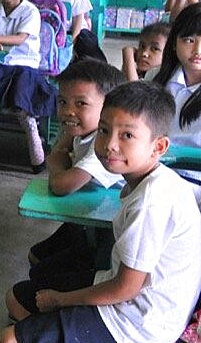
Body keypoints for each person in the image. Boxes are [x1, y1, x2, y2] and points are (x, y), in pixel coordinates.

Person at [0, 81, 201, 343]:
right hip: (139, 299)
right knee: (20, 297)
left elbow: (126, 289)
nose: (109, 144)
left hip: (140, 319)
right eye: (105, 130)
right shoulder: (151, 181)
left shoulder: (151, 201)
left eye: (127, 135)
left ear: (159, 147)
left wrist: (62, 300)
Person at [14, 60, 125, 329]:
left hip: (111, 248)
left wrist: (55, 163)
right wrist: (57, 159)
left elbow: (61, 184)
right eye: (63, 102)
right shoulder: (84, 134)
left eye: (80, 103)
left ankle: (50, 333)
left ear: (107, 108)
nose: (68, 111)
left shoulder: (105, 147)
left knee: (26, 287)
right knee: (37, 262)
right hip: (90, 227)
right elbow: (58, 155)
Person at [0, 0, 57, 173]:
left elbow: (20, 39)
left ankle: (37, 155)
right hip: (0, 63)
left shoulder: (30, 11)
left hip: (26, 64)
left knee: (24, 106)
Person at [150, 2, 201, 187]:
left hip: (195, 179)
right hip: (154, 171)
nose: (198, 51)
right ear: (173, 43)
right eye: (189, 40)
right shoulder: (156, 78)